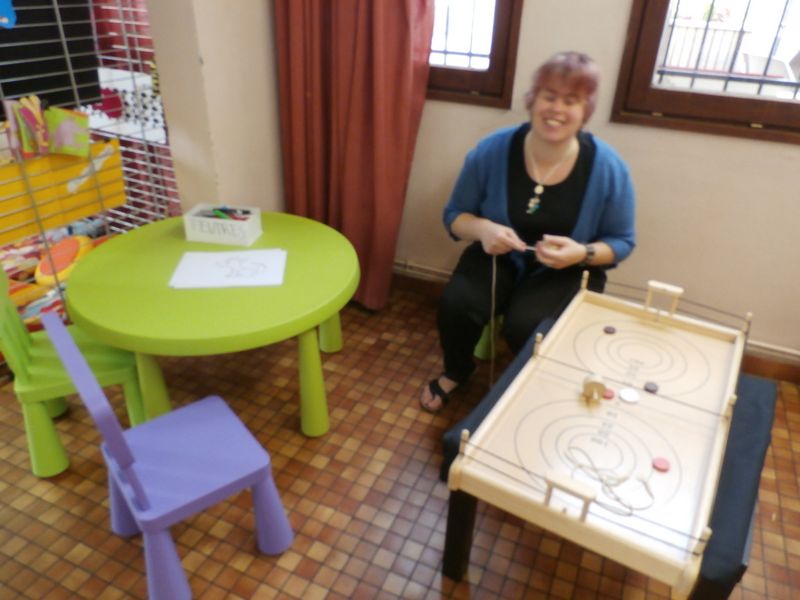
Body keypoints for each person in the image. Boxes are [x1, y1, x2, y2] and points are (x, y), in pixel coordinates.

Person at [420, 51, 636, 413]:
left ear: (586, 109)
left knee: (529, 326)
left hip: (568, 270)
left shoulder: (608, 167)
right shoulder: (492, 150)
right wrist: (483, 228)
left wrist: (581, 253)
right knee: (457, 305)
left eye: (571, 100)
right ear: (532, 99)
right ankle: (457, 370)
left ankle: (526, 389)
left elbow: (622, 242)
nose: (557, 109)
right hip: (499, 258)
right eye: (549, 96)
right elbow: (454, 215)